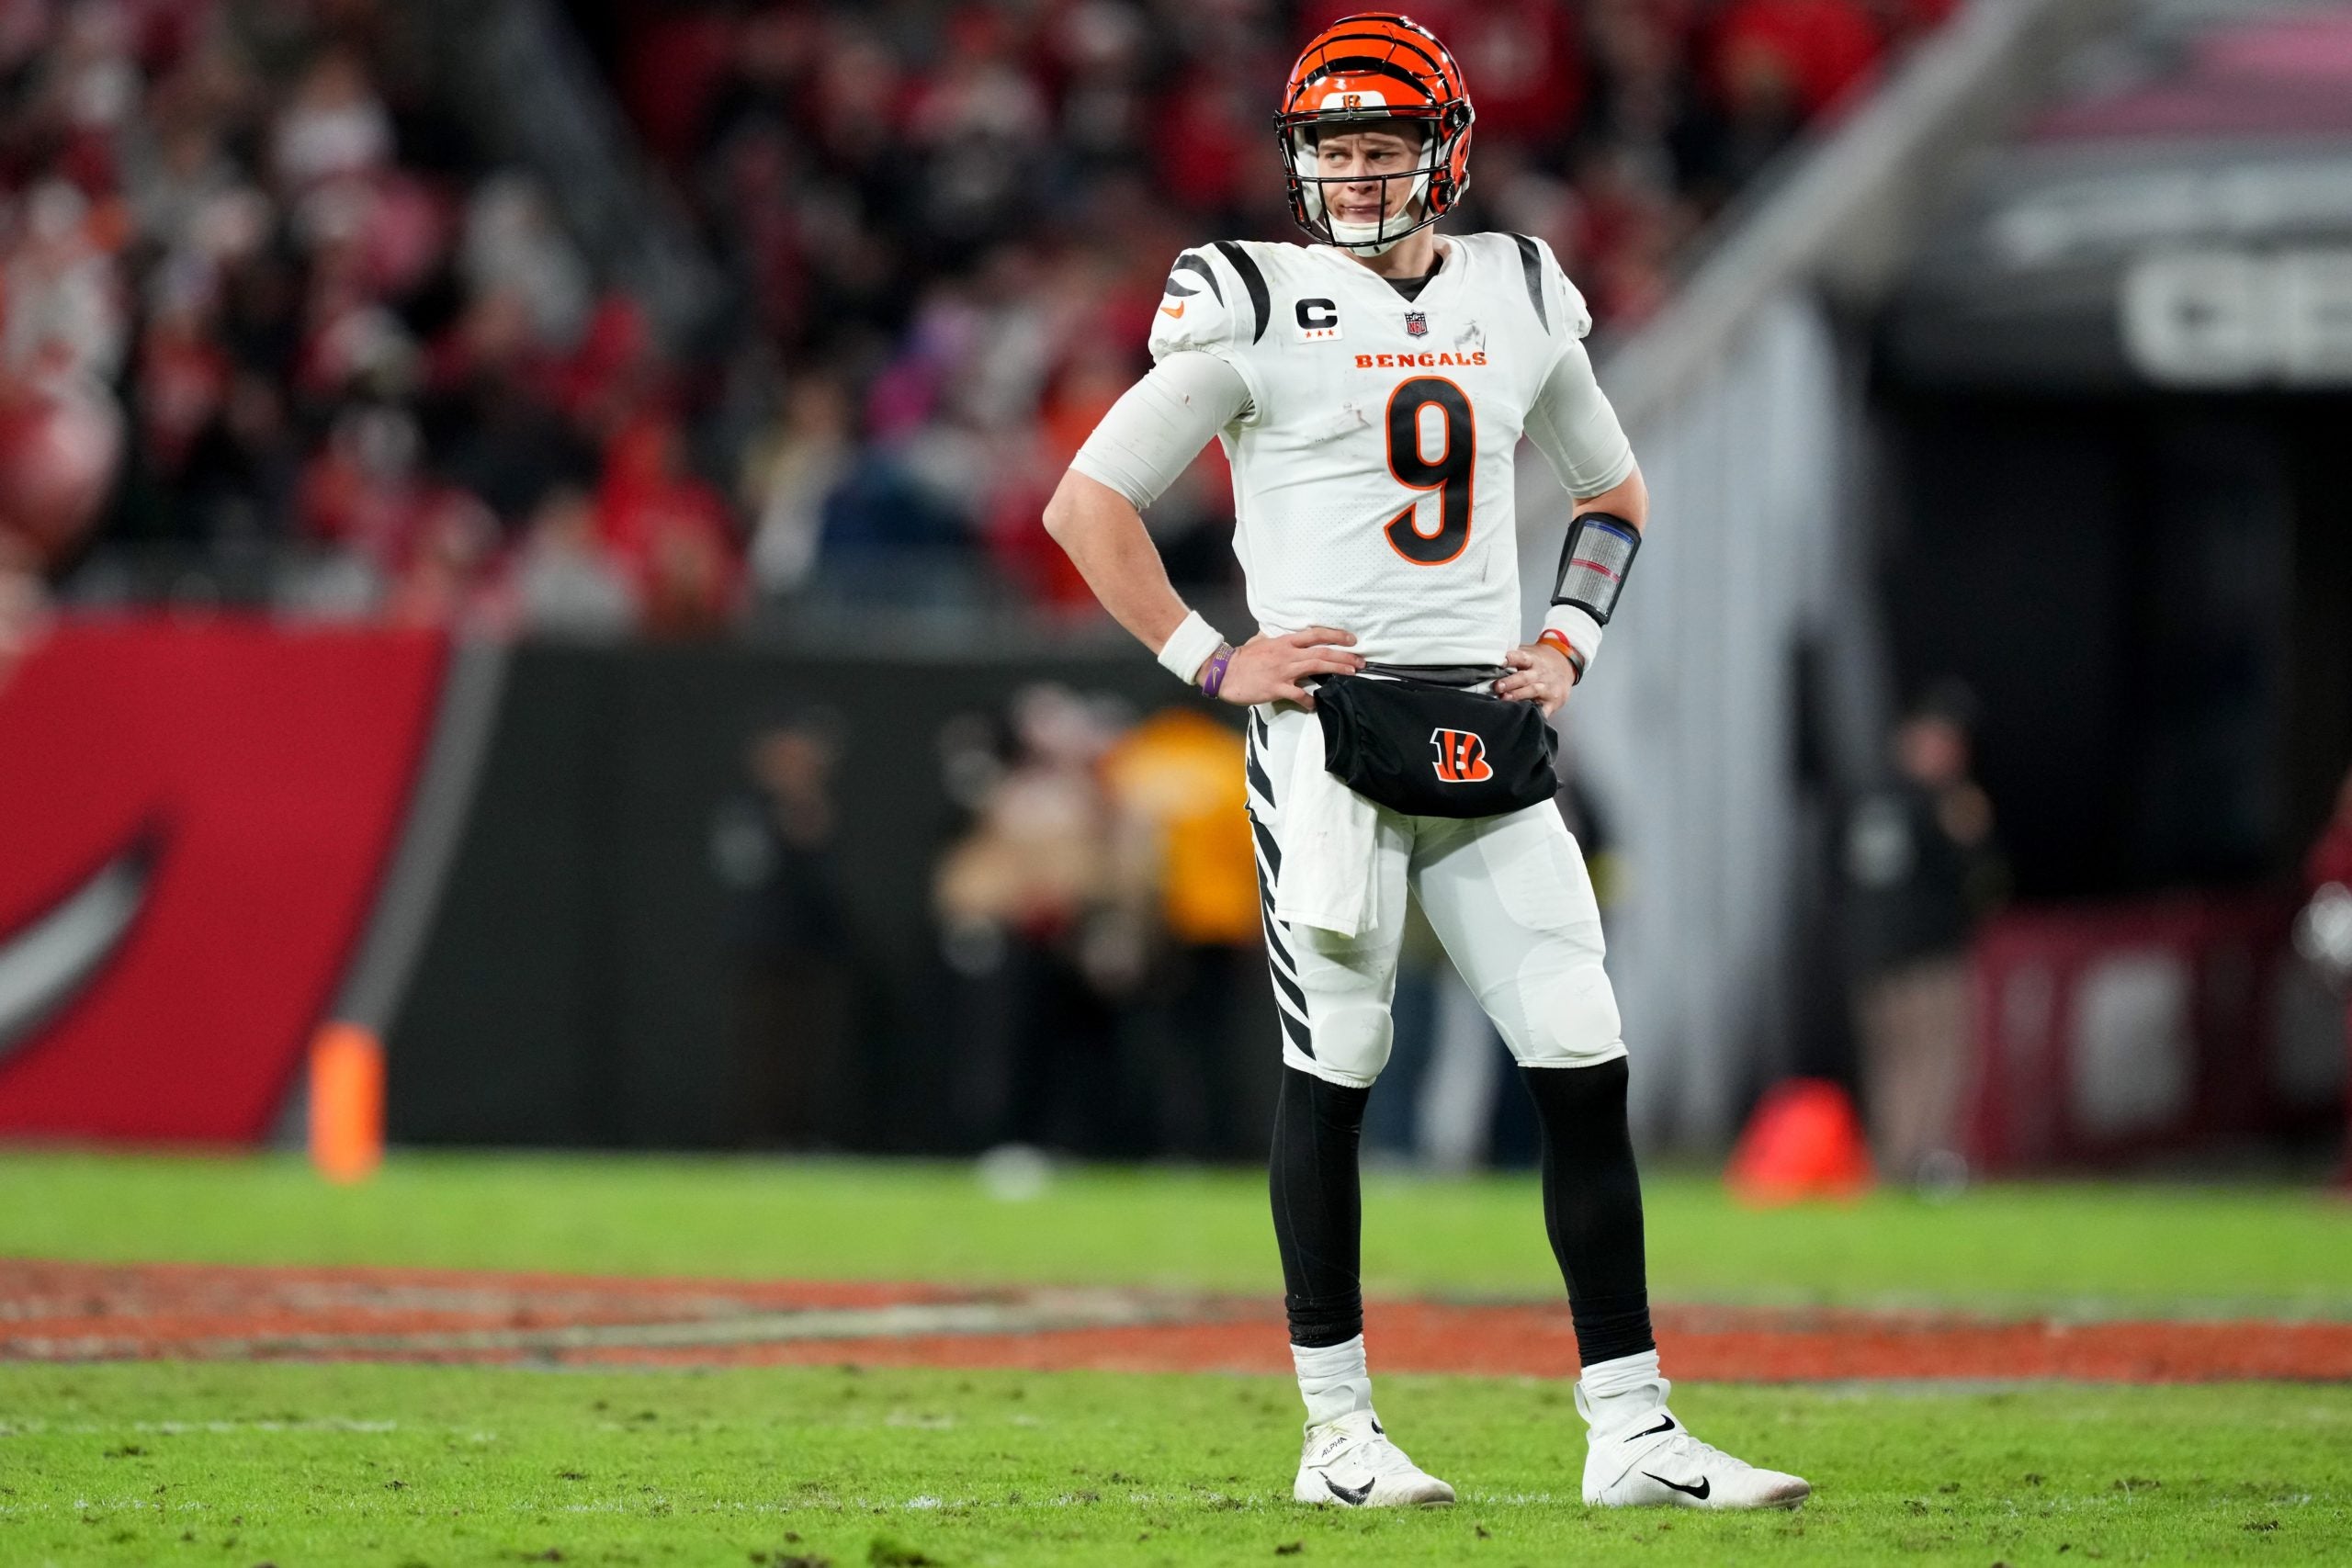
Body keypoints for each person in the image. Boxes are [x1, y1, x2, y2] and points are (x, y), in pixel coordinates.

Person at [1042, 13, 1807, 1513]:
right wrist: (1214, 658)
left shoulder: (1518, 287)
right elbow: (1089, 504)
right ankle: (1338, 1435)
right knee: (1339, 1067)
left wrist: (1571, 641)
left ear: (1443, 152)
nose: (1357, 174)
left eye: (1383, 147)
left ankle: (1635, 1430)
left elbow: (1614, 488)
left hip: (1485, 718)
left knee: (1582, 1058)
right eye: (1333, 150)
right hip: (1327, 734)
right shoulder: (1252, 297)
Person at [1843, 684, 2006, 1180]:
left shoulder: (1868, 794)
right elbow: (1982, 881)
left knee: (1892, 1067)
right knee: (1932, 1062)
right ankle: (1921, 1166)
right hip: (1925, 957)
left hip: (1870, 957)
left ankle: (1894, 1164)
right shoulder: (1940, 803)